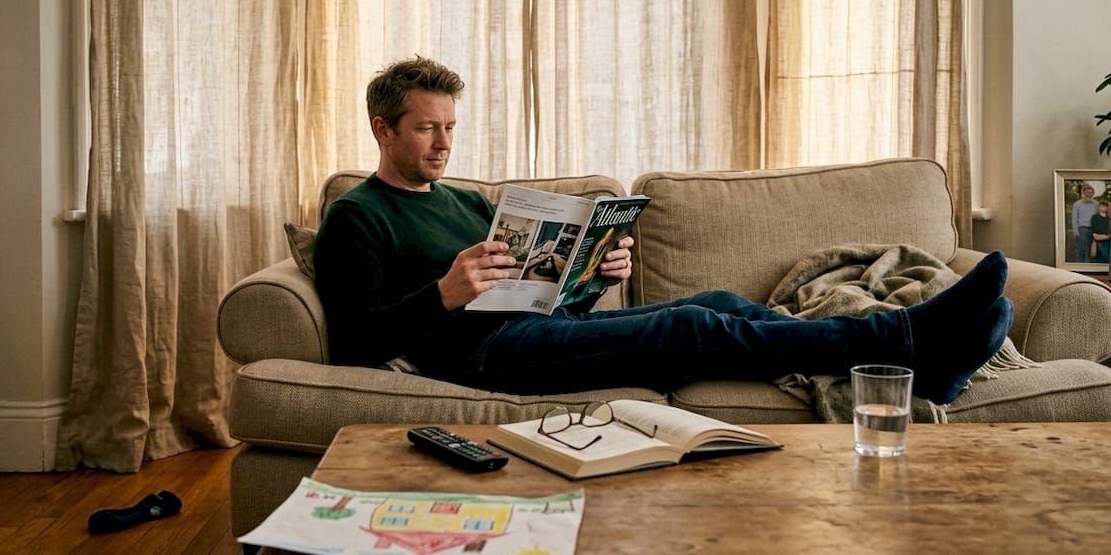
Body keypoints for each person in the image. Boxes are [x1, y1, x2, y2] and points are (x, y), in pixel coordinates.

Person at [312, 56, 1014, 406]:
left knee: (719, 303)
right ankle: (903, 338)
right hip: (478, 358)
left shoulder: (464, 202)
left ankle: (921, 370)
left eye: (450, 127)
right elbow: (352, 345)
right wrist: (444, 293)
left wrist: (592, 277)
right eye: (426, 128)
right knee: (688, 328)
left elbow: (544, 299)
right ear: (383, 129)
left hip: (531, 331)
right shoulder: (357, 215)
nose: (443, 143)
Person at [1071, 184, 1099, 263]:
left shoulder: (1096, 204)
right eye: (1087, 192)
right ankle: (1080, 267)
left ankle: (1089, 267)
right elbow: (1074, 218)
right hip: (1082, 229)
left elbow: (1099, 216)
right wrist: (1075, 230)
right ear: (1083, 193)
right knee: (1081, 250)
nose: (1089, 194)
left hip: (1093, 230)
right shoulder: (1077, 204)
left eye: (1091, 193)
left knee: (1091, 250)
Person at [1090, 200, 1111, 264]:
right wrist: (1098, 237)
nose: (1103, 207)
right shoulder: (1095, 217)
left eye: (1105, 206)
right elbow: (1093, 230)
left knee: (1106, 257)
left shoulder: (1109, 219)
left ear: (1107, 207)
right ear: (1099, 207)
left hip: (1107, 241)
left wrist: (1106, 237)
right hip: (1097, 240)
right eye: (1101, 206)